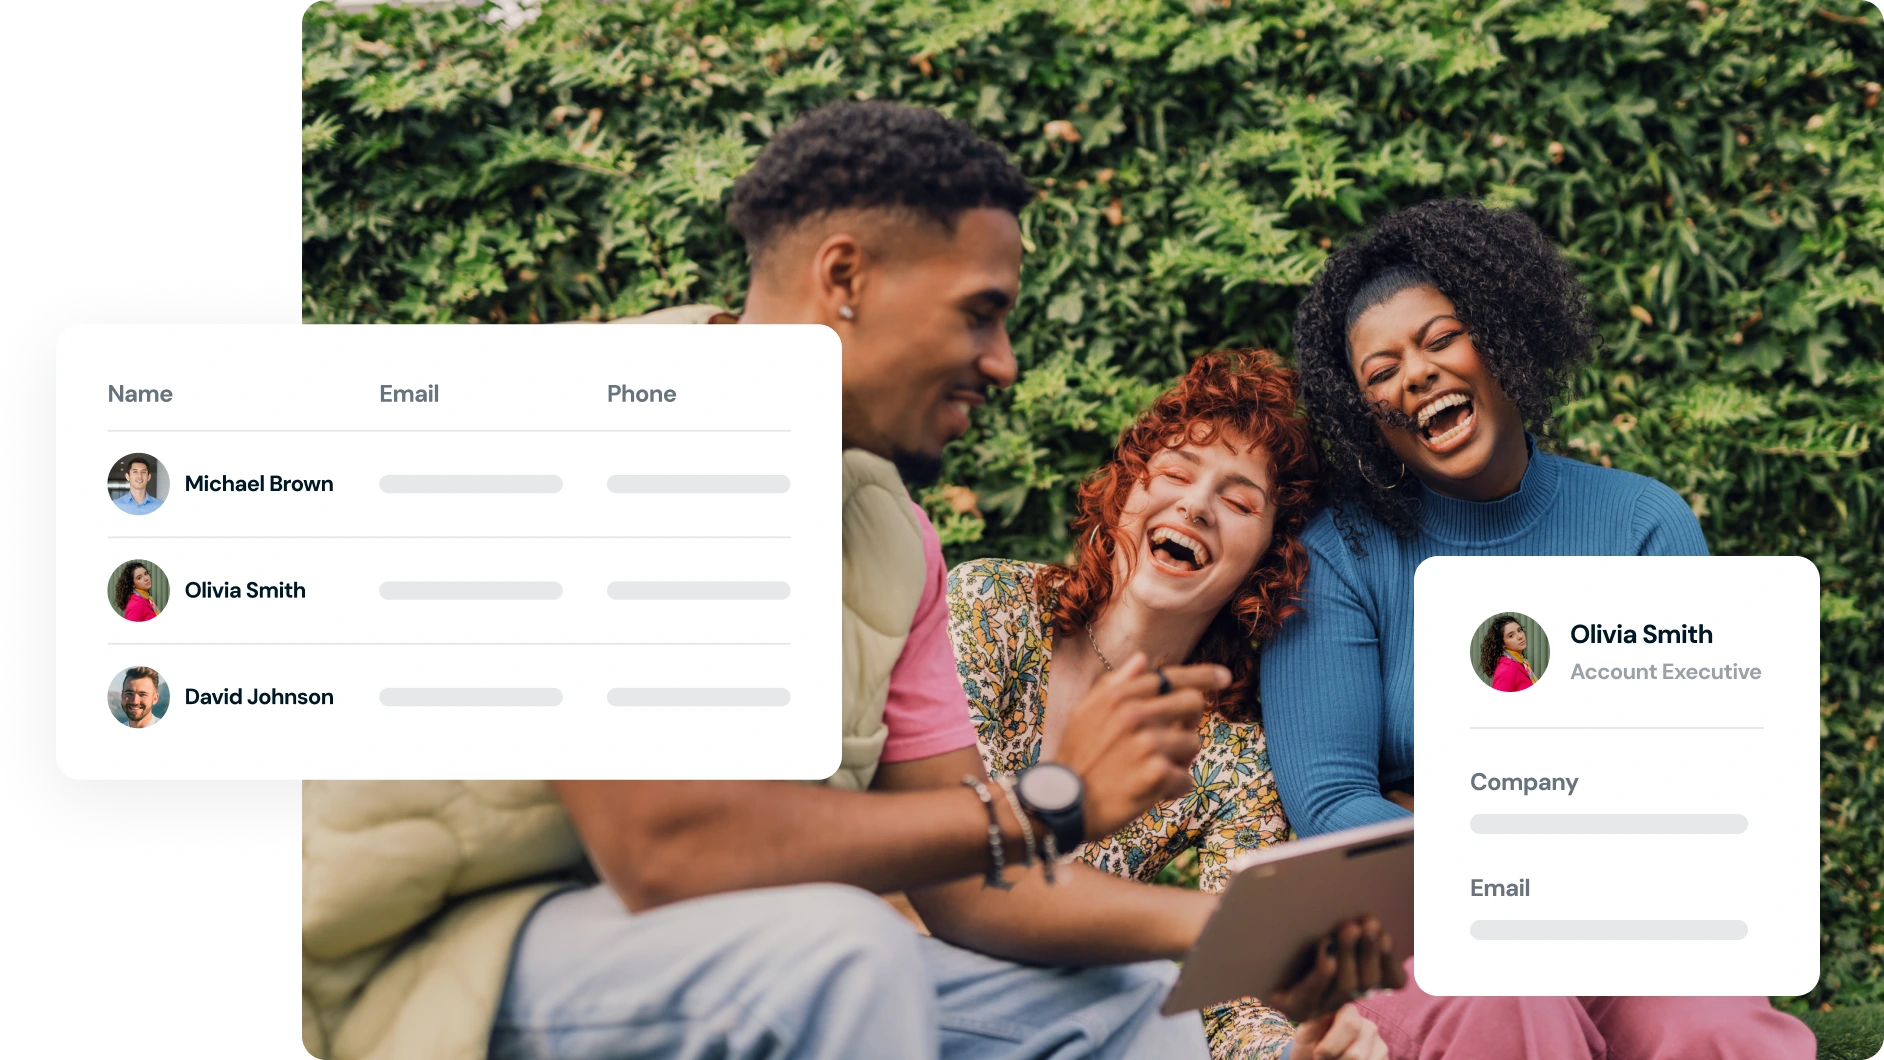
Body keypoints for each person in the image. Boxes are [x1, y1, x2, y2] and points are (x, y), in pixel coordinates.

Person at [300, 102, 1397, 1060]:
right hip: (439, 948)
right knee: (842, 949)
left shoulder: (893, 541)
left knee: (1122, 1008)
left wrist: (1221, 936)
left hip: (706, 947)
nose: (1005, 359)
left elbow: (968, 886)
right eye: (980, 310)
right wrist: (1044, 801)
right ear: (845, 278)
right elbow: (665, 846)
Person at [1262, 197, 1816, 1058]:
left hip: (1625, 900)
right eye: (1380, 373)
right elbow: (1332, 803)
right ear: (1365, 416)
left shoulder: (1643, 524)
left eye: (1441, 339)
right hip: (1418, 910)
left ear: (1502, 334)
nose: (1414, 374)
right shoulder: (1340, 555)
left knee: (1713, 1027)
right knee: (1507, 995)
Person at [950, 348, 1396, 1060]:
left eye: (1239, 500)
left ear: (1269, 557)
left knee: (1158, 1008)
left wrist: (1293, 1054)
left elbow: (1235, 997)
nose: (1195, 504)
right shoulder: (991, 606)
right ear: (1127, 491)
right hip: (907, 954)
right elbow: (948, 861)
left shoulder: (1232, 752)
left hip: (1046, 1020)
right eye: (1177, 473)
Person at [1479, 615, 1532, 691]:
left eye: (1519, 630)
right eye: (1511, 636)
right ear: (1502, 643)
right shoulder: (1509, 668)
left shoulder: (1521, 661)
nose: (1520, 636)